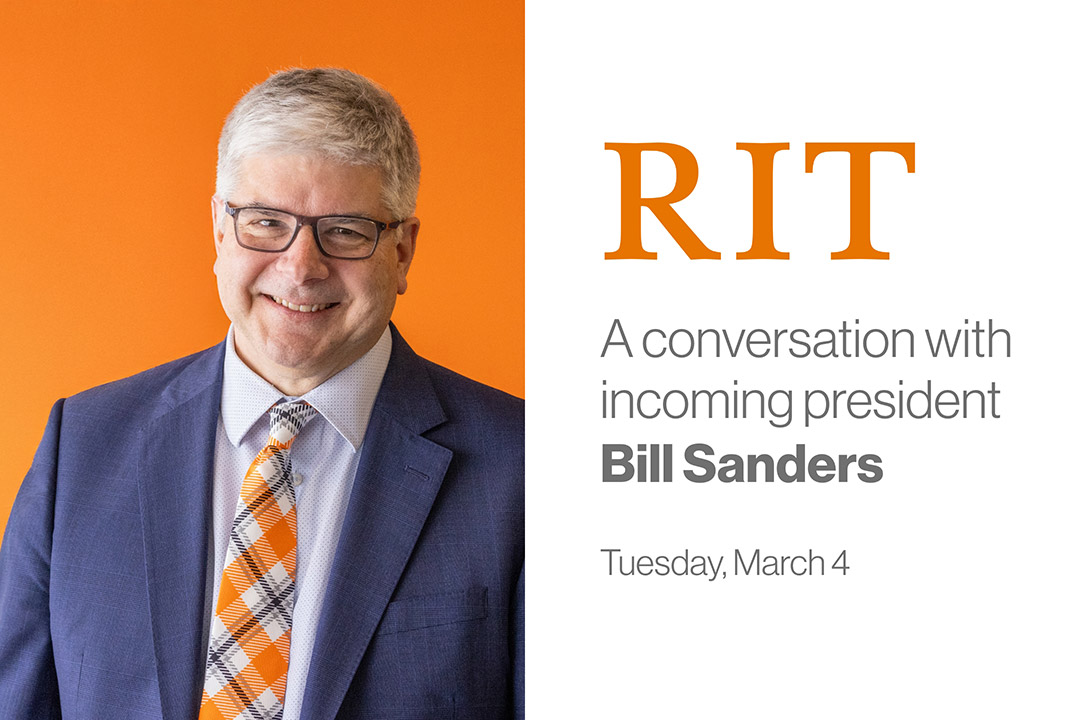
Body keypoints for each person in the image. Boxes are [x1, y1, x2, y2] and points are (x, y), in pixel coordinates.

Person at [0, 68, 524, 720]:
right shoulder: (80, 448)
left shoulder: (525, 469)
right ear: (219, 229)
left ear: (403, 252)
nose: (301, 266)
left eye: (346, 229)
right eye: (266, 221)